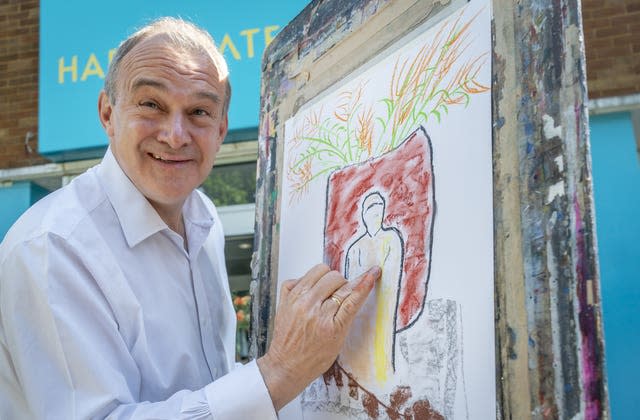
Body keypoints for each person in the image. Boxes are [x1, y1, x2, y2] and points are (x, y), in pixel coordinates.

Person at [0, 17, 380, 419]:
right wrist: (280, 372)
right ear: (107, 113)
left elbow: (204, 379)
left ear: (221, 130)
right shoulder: (53, 245)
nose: (176, 134)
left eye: (199, 111)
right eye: (151, 104)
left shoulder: (205, 219)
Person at [343, 191, 404, 389]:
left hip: (383, 308)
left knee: (381, 346)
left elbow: (392, 277)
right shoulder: (354, 248)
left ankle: (382, 380)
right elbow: (350, 283)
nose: (376, 212)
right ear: (363, 215)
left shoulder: (392, 239)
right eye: (370, 208)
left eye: (379, 207)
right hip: (359, 312)